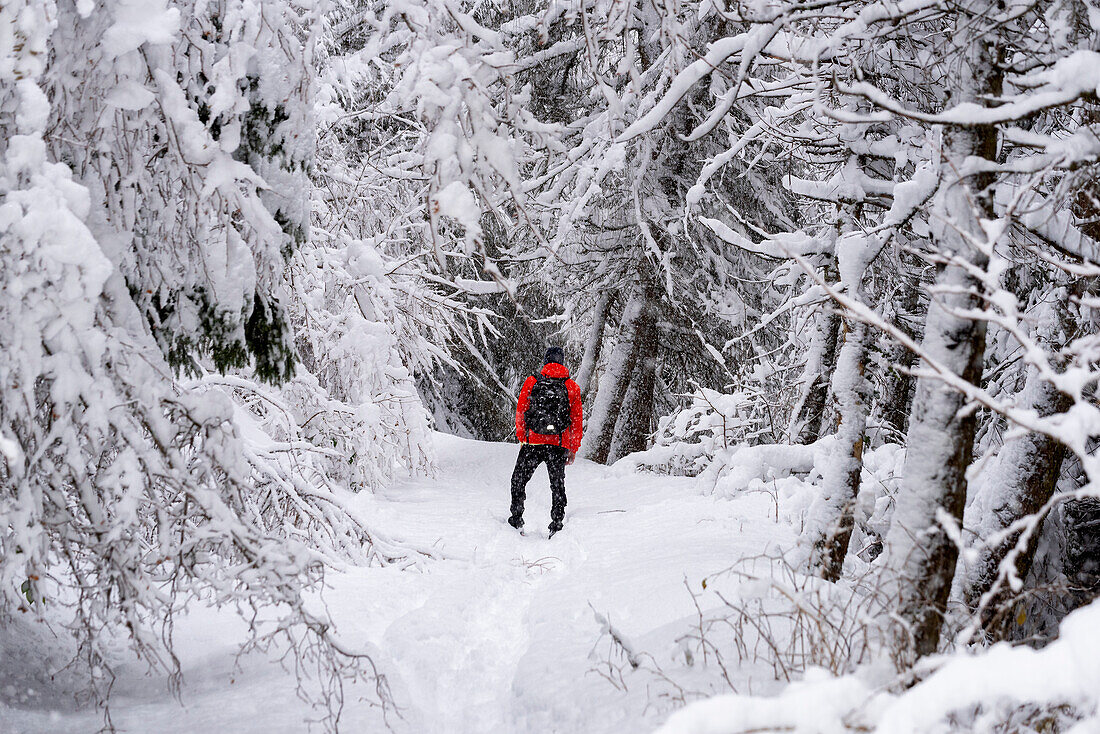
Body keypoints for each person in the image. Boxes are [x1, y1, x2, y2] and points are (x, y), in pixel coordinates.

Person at [510, 346, 583, 537]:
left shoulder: (532, 381)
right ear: (562, 362)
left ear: (545, 361)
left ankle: (516, 519)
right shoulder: (572, 387)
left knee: (518, 480)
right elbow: (576, 420)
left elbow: (521, 410)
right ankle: (556, 524)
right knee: (557, 484)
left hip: (532, 443)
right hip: (557, 445)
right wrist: (572, 448)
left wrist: (523, 437)